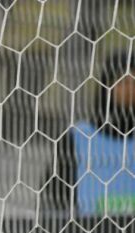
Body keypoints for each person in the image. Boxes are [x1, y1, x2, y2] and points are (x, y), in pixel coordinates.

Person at [44, 50, 135, 218]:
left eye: (133, 83)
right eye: (123, 82)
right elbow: (55, 197)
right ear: (107, 86)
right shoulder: (78, 137)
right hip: (87, 232)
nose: (129, 90)